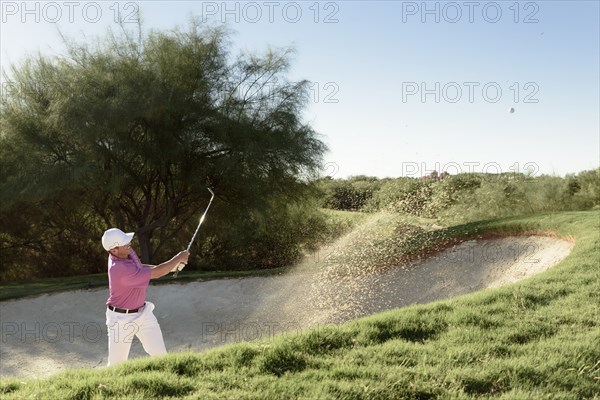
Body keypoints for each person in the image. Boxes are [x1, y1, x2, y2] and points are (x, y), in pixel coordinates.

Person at [101, 227, 190, 367]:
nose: (129, 243)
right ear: (114, 250)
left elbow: (141, 268)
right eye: (124, 243)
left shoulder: (124, 254)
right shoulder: (119, 270)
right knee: (116, 365)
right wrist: (177, 258)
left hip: (143, 314)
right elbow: (155, 274)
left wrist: (172, 267)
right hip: (121, 321)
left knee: (161, 356)